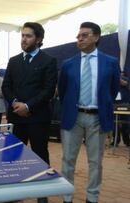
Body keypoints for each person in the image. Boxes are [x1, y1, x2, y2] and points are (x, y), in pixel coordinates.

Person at [58, 22, 120, 203]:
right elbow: (62, 91)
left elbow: (113, 88)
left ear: (96, 37)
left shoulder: (111, 62)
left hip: (98, 119)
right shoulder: (68, 64)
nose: (79, 39)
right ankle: (67, 196)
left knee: (95, 162)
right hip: (73, 117)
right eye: (78, 36)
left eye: (84, 35)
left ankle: (92, 198)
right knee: (68, 159)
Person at [2, 22, 57, 203]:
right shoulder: (14, 60)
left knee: (40, 155)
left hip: (38, 118)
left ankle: (42, 195)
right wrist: (16, 103)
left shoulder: (48, 61)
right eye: (23, 35)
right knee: (13, 155)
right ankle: (13, 194)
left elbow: (48, 90)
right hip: (16, 117)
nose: (24, 39)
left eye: (28, 36)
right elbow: (6, 86)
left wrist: (28, 106)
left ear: (39, 39)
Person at [111, 71, 130, 147]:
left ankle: (127, 140)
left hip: (125, 104)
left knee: (126, 123)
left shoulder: (126, 79)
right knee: (114, 123)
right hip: (115, 104)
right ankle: (116, 140)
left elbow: (125, 83)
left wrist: (118, 79)